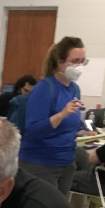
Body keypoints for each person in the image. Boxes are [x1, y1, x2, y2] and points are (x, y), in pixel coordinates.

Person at [18, 35, 87, 197]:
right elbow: (33, 130)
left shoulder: (74, 89)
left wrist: (83, 131)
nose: (79, 66)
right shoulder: (44, 88)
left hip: (67, 162)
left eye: (82, 61)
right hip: (41, 162)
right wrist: (61, 114)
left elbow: (71, 126)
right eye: (74, 61)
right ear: (60, 62)